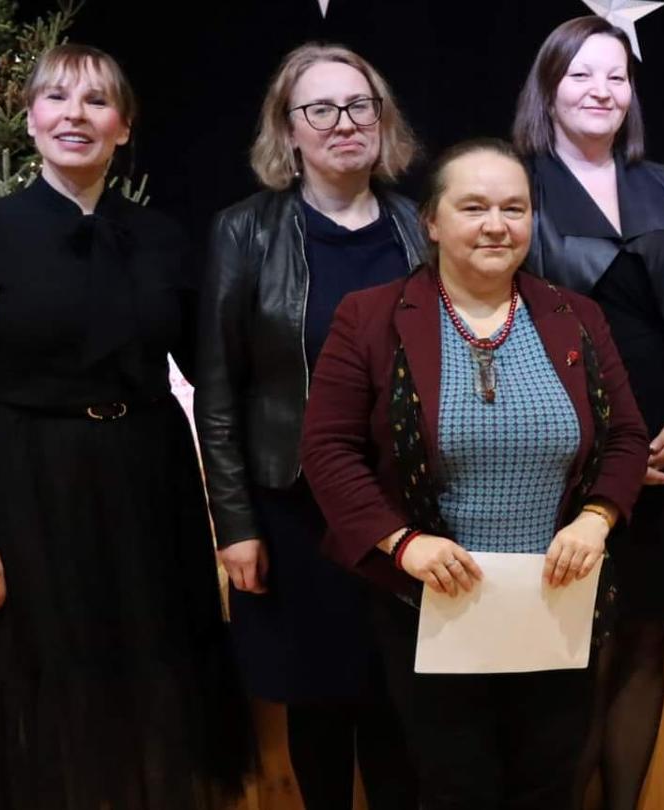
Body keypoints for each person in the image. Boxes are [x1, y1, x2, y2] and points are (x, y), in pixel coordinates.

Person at [0, 43, 251, 809]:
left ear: (125, 127)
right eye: (57, 99)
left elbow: (212, 369)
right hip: (33, 481)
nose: (76, 115)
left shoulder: (164, 237)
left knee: (161, 658)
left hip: (149, 472)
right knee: (55, 676)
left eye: (97, 101)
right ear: (31, 120)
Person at [299, 138, 649, 809]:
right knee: (454, 789)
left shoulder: (577, 316)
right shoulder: (370, 319)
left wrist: (597, 518)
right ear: (431, 221)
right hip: (428, 607)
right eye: (474, 206)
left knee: (550, 783)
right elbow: (328, 450)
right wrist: (403, 543)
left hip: (556, 601)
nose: (497, 224)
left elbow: (628, 436)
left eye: (514, 208)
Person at [194, 42, 424, 810]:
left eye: (359, 105)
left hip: (408, 509)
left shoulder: (418, 228)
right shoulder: (244, 232)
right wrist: (234, 524)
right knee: (318, 703)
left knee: (400, 699)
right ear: (288, 130)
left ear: (381, 121)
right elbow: (219, 390)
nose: (342, 123)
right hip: (293, 507)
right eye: (319, 109)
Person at [511, 17, 664, 808]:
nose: (601, 91)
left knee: (640, 644)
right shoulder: (516, 185)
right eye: (580, 76)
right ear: (548, 89)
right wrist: (605, 452)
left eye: (616, 76)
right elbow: (495, 323)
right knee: (573, 653)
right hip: (564, 458)